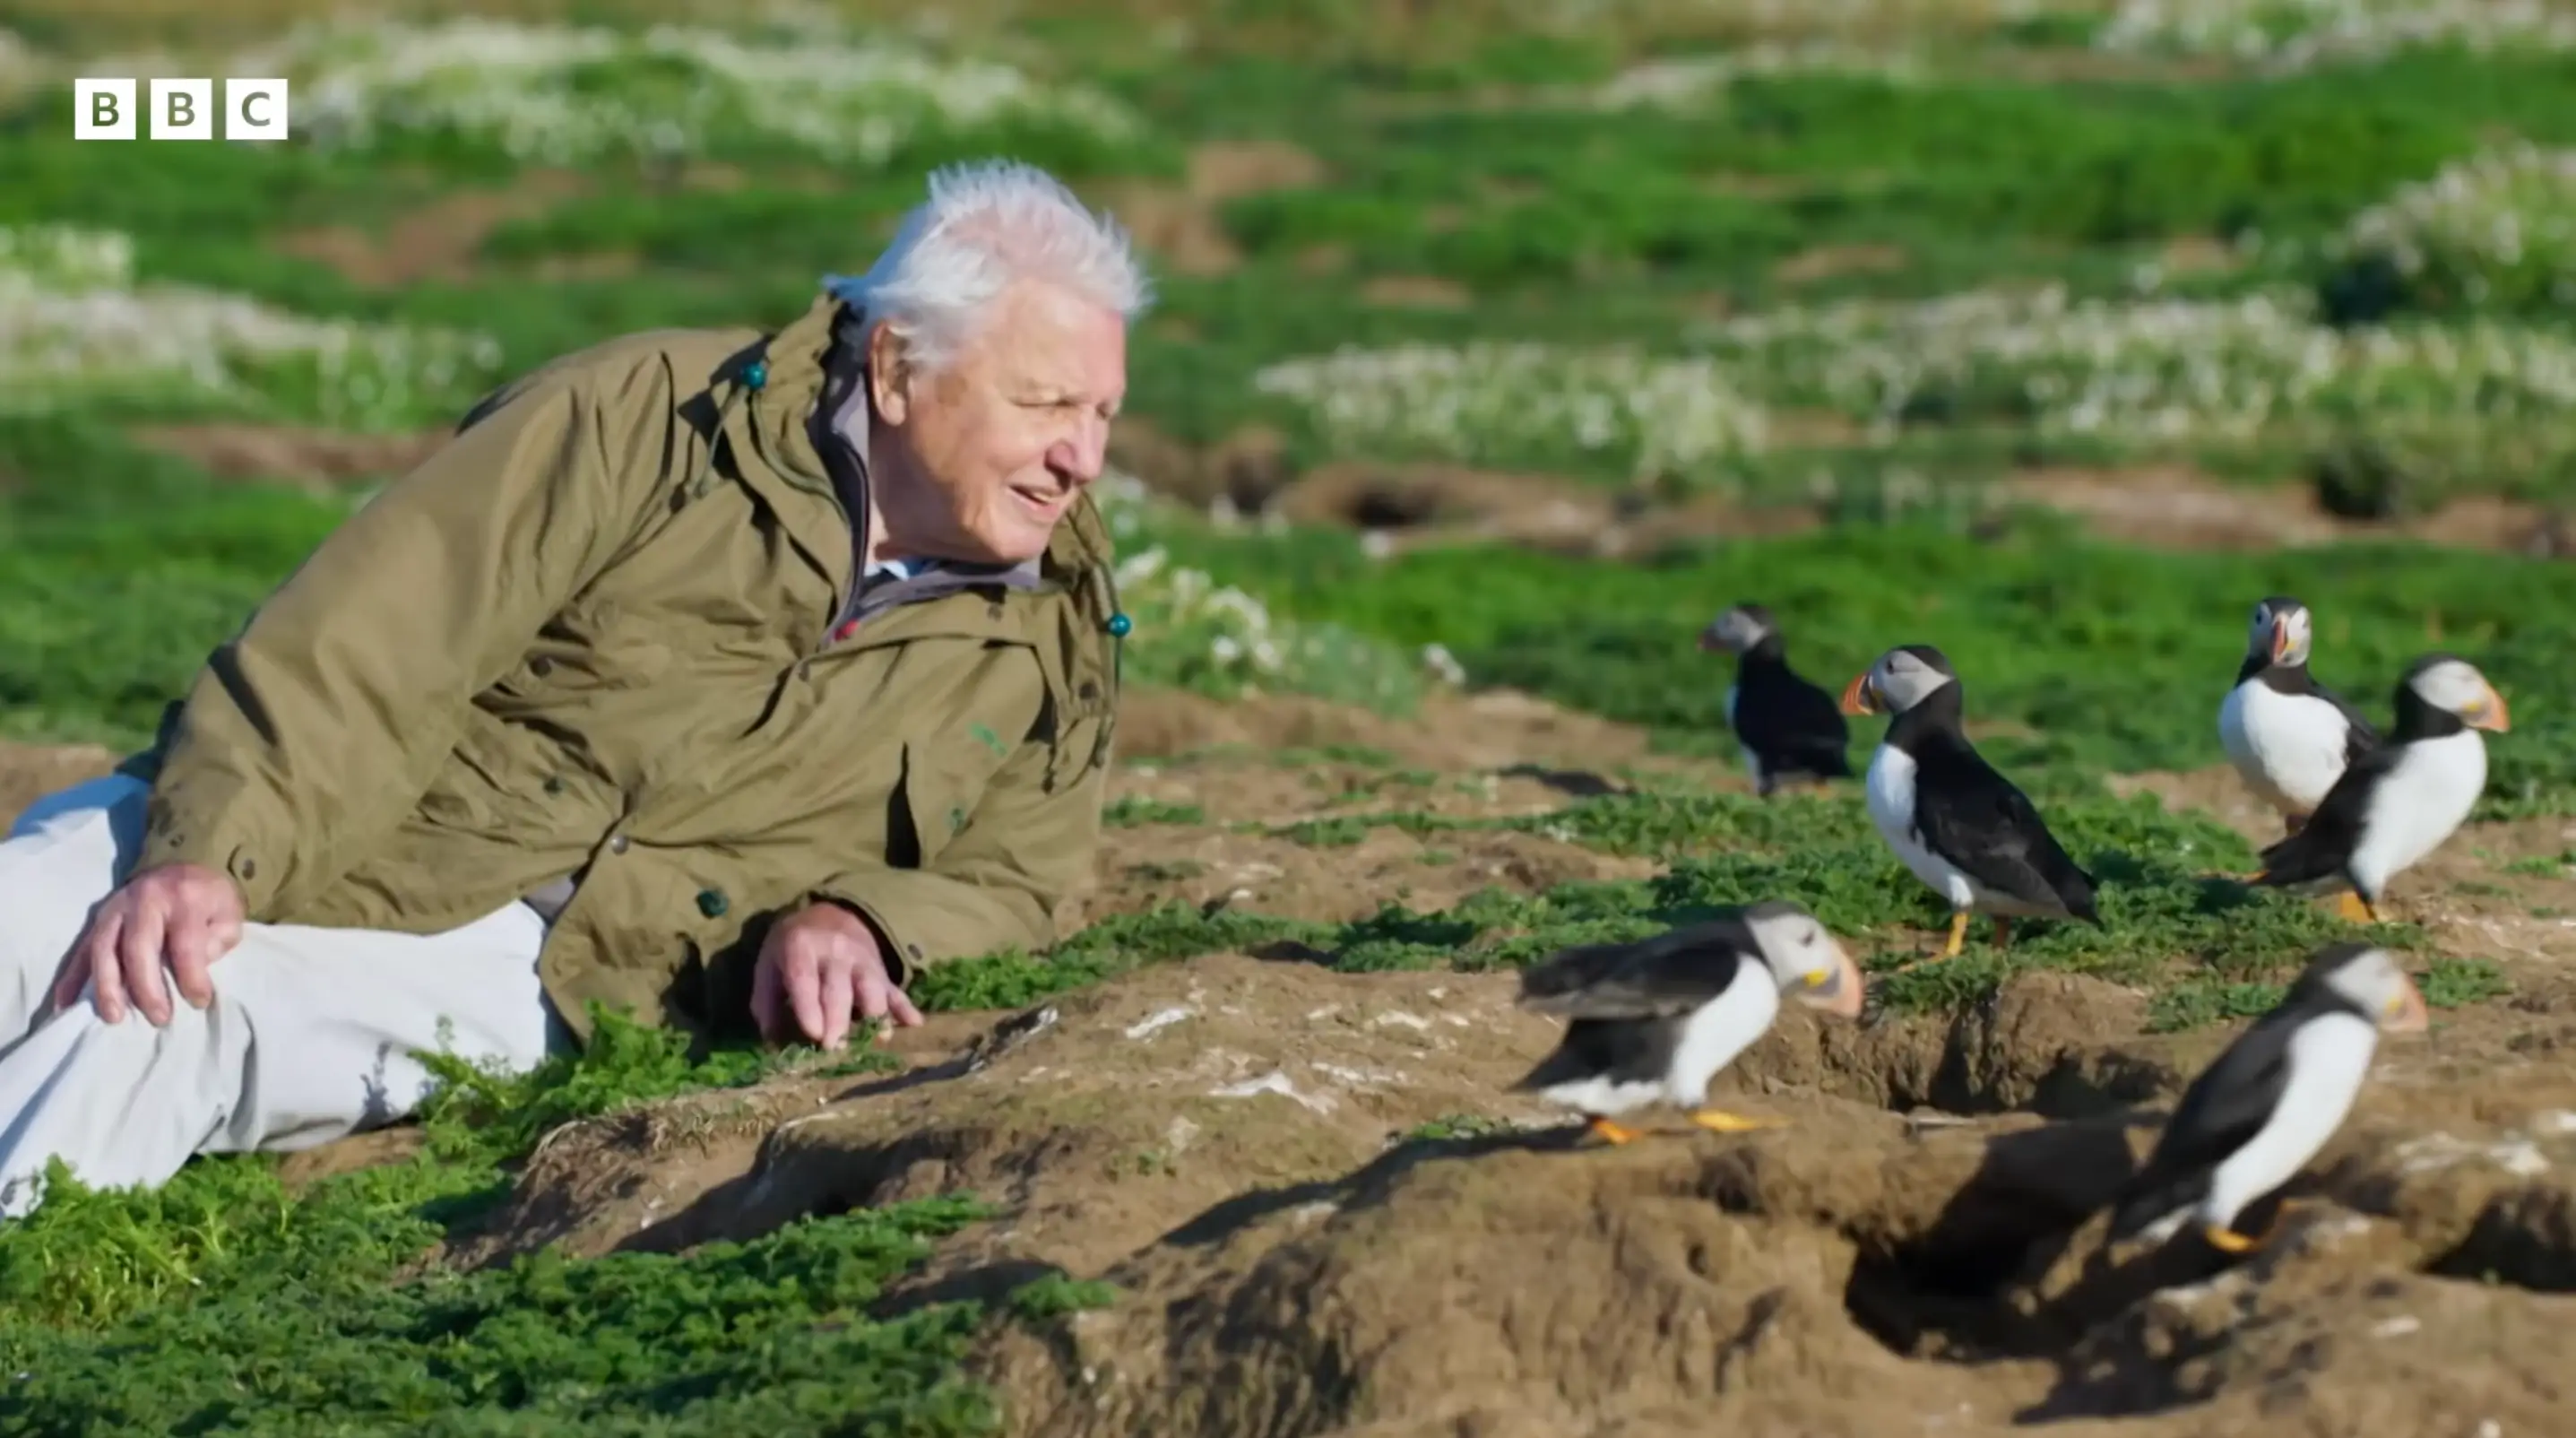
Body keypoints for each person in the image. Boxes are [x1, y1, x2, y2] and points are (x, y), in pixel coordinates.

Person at [0, 158, 1149, 1217]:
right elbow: (372, 640)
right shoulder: (647, 415)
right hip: (367, 806)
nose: (1082, 458)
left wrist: (868, 917)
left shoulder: (1062, 614)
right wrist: (211, 852)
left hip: (553, 962)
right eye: (1046, 405)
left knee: (145, 1017)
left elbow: (1020, 872)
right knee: (24, 925)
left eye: (1101, 413)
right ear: (899, 368)